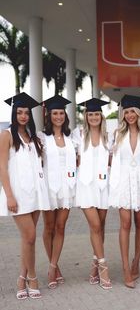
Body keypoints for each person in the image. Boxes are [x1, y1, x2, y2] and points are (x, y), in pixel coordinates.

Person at [0, 92, 50, 300]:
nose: (23, 116)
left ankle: (21, 278)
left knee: (27, 240)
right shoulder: (7, 135)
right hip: (18, 195)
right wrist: (9, 196)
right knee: (29, 236)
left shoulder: (34, 137)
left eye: (26, 113)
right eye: (19, 112)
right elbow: (2, 167)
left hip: (36, 193)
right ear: (14, 113)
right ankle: (33, 277)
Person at [109, 94, 140, 288]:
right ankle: (126, 268)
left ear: (139, 113)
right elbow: (115, 162)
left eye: (132, 111)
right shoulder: (118, 134)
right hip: (124, 182)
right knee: (125, 223)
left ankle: (136, 262)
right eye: (126, 112)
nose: (129, 115)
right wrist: (115, 187)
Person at [72, 98, 112, 290]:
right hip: (86, 187)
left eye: (97, 114)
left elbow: (113, 160)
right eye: (90, 114)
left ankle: (95, 263)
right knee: (95, 225)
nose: (94, 117)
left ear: (101, 116)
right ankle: (104, 267)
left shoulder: (109, 137)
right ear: (86, 117)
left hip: (104, 186)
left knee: (101, 227)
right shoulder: (78, 135)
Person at [38, 95, 76, 289]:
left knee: (61, 227)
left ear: (65, 115)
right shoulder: (42, 137)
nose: (58, 116)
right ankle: (55, 266)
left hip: (67, 187)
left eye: (61, 113)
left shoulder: (72, 138)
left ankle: (53, 267)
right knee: (49, 227)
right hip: (49, 187)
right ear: (49, 115)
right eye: (55, 113)